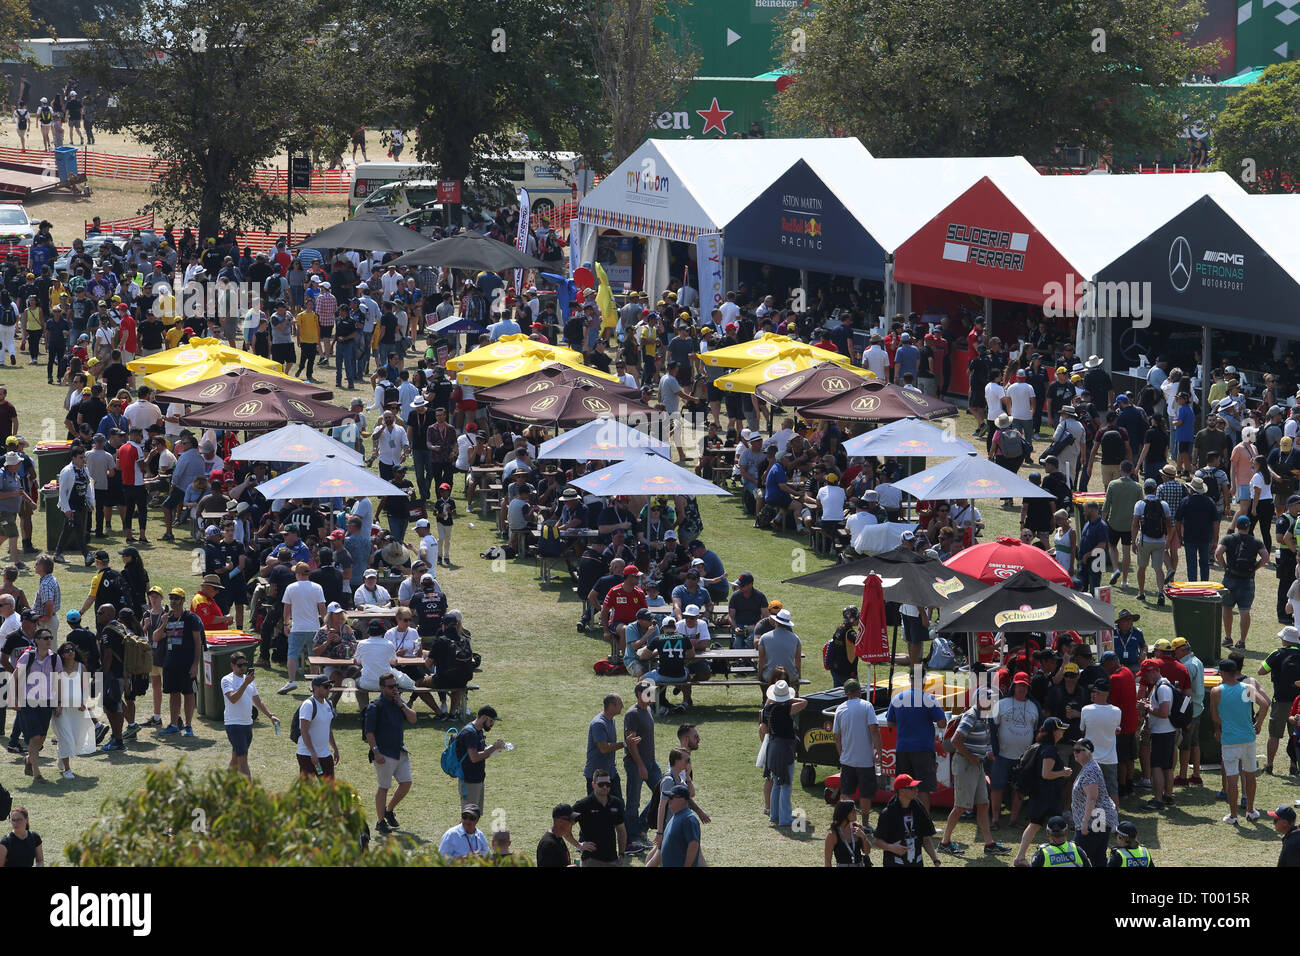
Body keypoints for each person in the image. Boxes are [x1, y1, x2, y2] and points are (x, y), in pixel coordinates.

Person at [938, 687, 1010, 856]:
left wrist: (987, 753)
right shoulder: (972, 715)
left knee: (983, 804)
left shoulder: (984, 715)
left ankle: (989, 844)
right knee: (960, 806)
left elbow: (980, 740)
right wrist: (971, 757)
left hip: (975, 765)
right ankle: (944, 842)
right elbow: (956, 741)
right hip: (966, 764)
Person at [1209, 658, 1269, 825]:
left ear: (1222, 673)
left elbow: (1214, 717)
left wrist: (1219, 728)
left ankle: (1234, 815)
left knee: (1232, 778)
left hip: (1229, 740)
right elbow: (1264, 705)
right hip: (1248, 738)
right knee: (1250, 776)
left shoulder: (1216, 691)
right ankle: (1250, 810)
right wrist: (1258, 723)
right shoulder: (1248, 688)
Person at [1012, 717, 1072, 867]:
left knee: (1035, 824)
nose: (1063, 732)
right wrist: (1063, 772)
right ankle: (1064, 855)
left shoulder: (1041, 746)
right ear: (1054, 731)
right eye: (1060, 729)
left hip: (1041, 794)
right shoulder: (1050, 750)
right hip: (1047, 795)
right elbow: (1046, 774)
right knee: (1060, 826)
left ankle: (1020, 857)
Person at [365, 671, 418, 836]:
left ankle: (389, 810)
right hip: (384, 753)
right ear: (382, 688)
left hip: (399, 750)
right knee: (384, 787)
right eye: (391, 687)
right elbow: (369, 732)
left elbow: (413, 719)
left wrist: (401, 704)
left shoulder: (398, 703)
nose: (395, 689)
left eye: (396, 686)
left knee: (406, 783)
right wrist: (376, 752)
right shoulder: (375, 706)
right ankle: (380, 822)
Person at [886, 679, 948, 811]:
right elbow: (942, 723)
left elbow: (890, 723)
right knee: (923, 788)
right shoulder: (928, 699)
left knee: (903, 788)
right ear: (924, 682)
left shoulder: (897, 698)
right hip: (923, 749)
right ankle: (924, 824)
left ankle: (903, 820)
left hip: (903, 749)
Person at [990, 672, 1040, 828]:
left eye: (1024, 686)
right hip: (1002, 755)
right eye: (1019, 685)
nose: (1021, 689)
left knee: (1019, 789)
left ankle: (1013, 820)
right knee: (996, 787)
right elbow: (993, 728)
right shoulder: (1002, 704)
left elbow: (1037, 730)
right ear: (1013, 686)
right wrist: (992, 749)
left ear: (1028, 688)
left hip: (1024, 757)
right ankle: (995, 820)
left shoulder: (1034, 706)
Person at [220, 651, 280, 778]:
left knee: (236, 759)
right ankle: (248, 793)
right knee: (243, 761)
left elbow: (257, 700)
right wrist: (245, 683)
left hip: (247, 724)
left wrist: (270, 715)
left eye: (245, 664)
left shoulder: (249, 680)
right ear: (232, 665)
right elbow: (233, 699)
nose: (243, 667)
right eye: (240, 665)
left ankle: (223, 787)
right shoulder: (226, 680)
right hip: (234, 725)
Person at [154, 587, 203, 738]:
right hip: (170, 663)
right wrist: (163, 623)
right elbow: (155, 638)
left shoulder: (191, 618)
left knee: (188, 693)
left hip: (187, 663)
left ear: (183, 600)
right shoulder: (167, 617)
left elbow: (198, 643)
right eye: (172, 598)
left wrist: (195, 664)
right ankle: (174, 724)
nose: (173, 601)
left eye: (177, 598)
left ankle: (188, 725)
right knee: (173, 694)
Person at [832, 678, 883, 823]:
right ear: (859, 691)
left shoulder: (840, 709)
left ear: (846, 693)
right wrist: (879, 751)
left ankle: (844, 822)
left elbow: (837, 737)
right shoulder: (867, 706)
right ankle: (865, 824)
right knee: (865, 794)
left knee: (846, 793)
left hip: (847, 760)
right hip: (865, 760)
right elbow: (874, 730)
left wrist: (842, 755)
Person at [1216, 514, 1269, 649]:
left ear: (1237, 526)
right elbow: (1266, 557)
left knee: (1227, 608)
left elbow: (1218, 553)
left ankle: (1228, 638)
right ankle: (1242, 641)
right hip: (1247, 580)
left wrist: (1225, 566)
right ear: (1249, 527)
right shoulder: (1256, 542)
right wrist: (1256, 567)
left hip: (1230, 577)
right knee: (1244, 611)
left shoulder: (1228, 538)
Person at [761, 679, 807, 828]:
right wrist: (789, 698)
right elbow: (804, 702)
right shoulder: (786, 709)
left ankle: (775, 815)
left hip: (773, 747)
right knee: (786, 784)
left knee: (776, 783)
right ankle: (785, 819)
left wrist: (782, 697)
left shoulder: (768, 708)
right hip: (784, 748)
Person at [873, 774, 941, 867]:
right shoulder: (888, 813)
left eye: (916, 787)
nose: (916, 790)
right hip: (895, 862)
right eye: (912, 788)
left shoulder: (919, 809)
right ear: (901, 791)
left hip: (916, 862)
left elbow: (926, 838)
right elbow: (877, 840)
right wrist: (891, 848)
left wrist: (936, 861)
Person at [623, 679, 659, 852]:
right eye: (649, 693)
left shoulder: (649, 709)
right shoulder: (632, 714)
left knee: (662, 793)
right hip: (636, 765)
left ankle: (641, 828)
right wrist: (640, 766)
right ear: (639, 695)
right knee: (633, 802)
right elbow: (631, 743)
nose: (652, 695)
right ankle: (632, 839)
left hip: (651, 763)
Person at [280, 561, 326, 695]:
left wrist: (285, 624)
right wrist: (326, 625)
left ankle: (292, 681)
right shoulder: (317, 587)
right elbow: (322, 608)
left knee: (292, 655)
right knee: (314, 656)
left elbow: (286, 609)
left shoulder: (291, 587)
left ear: (298, 574)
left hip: (297, 628)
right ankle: (314, 684)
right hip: (314, 628)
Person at [1260, 625, 1300, 776]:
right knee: (1295, 734)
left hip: (1280, 700)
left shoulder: (1277, 653)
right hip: (1298, 702)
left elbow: (1261, 671)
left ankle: (1269, 765)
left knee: (1274, 735)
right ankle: (1293, 766)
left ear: (1285, 640)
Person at [1070, 737, 1117, 866]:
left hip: (1095, 819)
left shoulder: (1090, 769)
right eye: (1074, 750)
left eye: (1078, 750)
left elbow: (1092, 797)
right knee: (1098, 857)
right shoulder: (1089, 767)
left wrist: (1084, 823)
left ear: (1088, 752)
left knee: (1078, 857)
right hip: (1098, 818)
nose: (1075, 753)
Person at [572, 767, 628, 866]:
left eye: (608, 784)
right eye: (601, 784)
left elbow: (621, 830)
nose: (605, 787)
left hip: (613, 860)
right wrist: (578, 845)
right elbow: (564, 824)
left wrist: (622, 854)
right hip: (591, 860)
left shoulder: (616, 803)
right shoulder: (583, 805)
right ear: (593, 785)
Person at [455, 704, 505, 812]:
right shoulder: (470, 733)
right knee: (469, 816)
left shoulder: (478, 731)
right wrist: (493, 748)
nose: (492, 725)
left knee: (475, 815)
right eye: (491, 721)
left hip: (477, 778)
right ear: (483, 717)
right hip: (469, 780)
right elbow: (474, 758)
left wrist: (495, 749)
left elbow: (480, 754)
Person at [296, 674, 340, 779]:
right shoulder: (308, 705)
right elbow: (304, 731)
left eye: (330, 686)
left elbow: (328, 729)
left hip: (325, 754)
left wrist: (335, 748)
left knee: (329, 790)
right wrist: (313, 753)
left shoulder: (329, 704)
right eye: (326, 686)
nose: (329, 689)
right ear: (315, 688)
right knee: (307, 790)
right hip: (307, 755)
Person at [585, 694, 626, 802]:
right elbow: (603, 748)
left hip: (610, 771)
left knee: (618, 804)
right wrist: (625, 744)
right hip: (596, 775)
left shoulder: (611, 720)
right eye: (620, 704)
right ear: (612, 705)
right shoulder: (599, 723)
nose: (623, 706)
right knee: (596, 807)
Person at [658, 784, 702, 867]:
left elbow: (693, 844)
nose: (669, 800)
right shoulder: (675, 817)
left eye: (672, 797)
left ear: (682, 799)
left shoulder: (688, 819)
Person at [824, 799, 871, 867]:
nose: (856, 813)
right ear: (845, 813)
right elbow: (827, 861)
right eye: (853, 811)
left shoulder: (858, 827)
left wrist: (864, 837)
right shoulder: (832, 834)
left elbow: (867, 852)